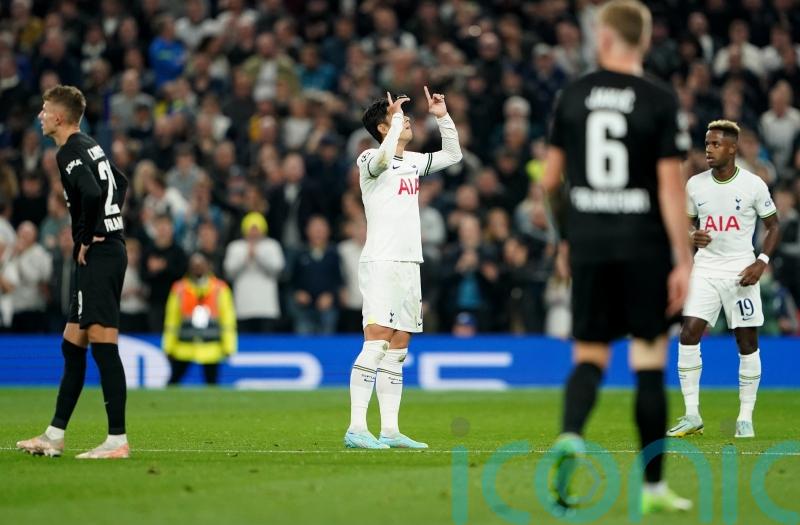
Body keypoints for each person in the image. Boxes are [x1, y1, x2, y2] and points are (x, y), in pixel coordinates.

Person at [541, 0, 694, 514]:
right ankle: (652, 490)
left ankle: (569, 434)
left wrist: (566, 238)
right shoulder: (658, 99)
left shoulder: (574, 95)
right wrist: (682, 259)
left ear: (605, 39)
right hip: (643, 246)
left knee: (589, 355)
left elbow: (547, 183)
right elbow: (673, 191)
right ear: (643, 42)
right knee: (648, 362)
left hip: (587, 243)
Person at [346, 87, 462, 449]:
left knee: (398, 346)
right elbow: (382, 160)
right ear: (383, 128)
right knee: (377, 339)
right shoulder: (368, 160)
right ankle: (356, 428)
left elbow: (453, 154)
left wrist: (442, 116)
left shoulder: (411, 162)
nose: (407, 121)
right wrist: (396, 122)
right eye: (398, 118)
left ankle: (391, 430)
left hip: (410, 262)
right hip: (382, 260)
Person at [17, 85, 130, 459]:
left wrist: (89, 235)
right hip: (104, 251)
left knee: (103, 343)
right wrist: (108, 225)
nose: (40, 116)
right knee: (72, 344)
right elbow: (120, 182)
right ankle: (54, 436)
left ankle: (117, 440)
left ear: (60, 118)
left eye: (45, 110)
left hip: (100, 254)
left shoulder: (69, 152)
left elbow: (94, 193)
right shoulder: (90, 145)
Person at [667, 120, 780, 439]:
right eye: (707, 144)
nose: (709, 150)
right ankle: (692, 415)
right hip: (705, 268)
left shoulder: (753, 185)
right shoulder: (695, 185)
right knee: (688, 333)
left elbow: (774, 226)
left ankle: (745, 417)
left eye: (715, 144)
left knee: (746, 342)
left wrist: (761, 261)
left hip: (741, 271)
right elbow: (686, 223)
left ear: (732, 148)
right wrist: (692, 234)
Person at [163, 253, 237, 385]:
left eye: (201, 265)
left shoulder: (220, 288)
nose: (197, 268)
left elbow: (228, 320)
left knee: (212, 386)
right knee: (173, 383)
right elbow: (171, 321)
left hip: (211, 347)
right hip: (184, 347)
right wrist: (168, 347)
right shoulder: (179, 288)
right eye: (194, 265)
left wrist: (229, 346)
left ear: (208, 266)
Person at [223, 212, 284, 333]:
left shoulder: (272, 246)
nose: (254, 233)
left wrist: (258, 255)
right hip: (243, 308)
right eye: (251, 229)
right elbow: (229, 272)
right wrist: (246, 257)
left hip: (267, 308)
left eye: (257, 229)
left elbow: (278, 269)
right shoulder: (235, 247)